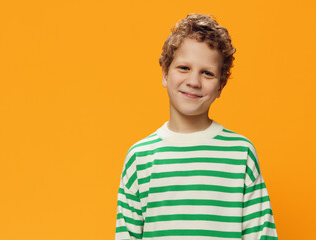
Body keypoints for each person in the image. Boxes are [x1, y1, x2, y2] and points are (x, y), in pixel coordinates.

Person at [115, 13, 278, 240]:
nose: (193, 81)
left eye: (207, 73)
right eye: (183, 68)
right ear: (164, 72)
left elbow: (262, 234)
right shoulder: (139, 157)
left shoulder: (241, 154)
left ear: (221, 85)